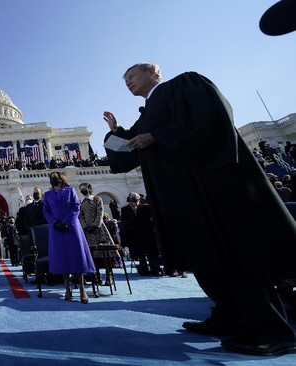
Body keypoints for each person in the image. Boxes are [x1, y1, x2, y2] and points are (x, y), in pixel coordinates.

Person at [103, 62, 296, 356]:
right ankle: (228, 316)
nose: (127, 81)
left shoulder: (184, 85)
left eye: (131, 75)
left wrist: (157, 136)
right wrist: (117, 132)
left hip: (212, 189)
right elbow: (126, 157)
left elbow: (210, 118)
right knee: (205, 256)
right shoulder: (146, 116)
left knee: (236, 256)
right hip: (182, 198)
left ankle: (272, 330)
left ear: (153, 72)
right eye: (124, 79)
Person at [43, 171, 95, 303]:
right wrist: (55, 223)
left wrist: (66, 222)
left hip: (71, 227)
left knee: (76, 256)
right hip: (56, 229)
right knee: (62, 258)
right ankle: (67, 289)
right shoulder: (47, 195)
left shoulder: (70, 190)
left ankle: (82, 290)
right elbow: (46, 211)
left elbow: (76, 207)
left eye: (55, 177)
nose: (53, 179)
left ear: (61, 179)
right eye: (51, 178)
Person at [78, 182, 119, 285]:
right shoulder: (82, 203)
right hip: (88, 231)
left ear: (88, 188)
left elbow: (100, 212)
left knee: (106, 254)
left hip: (99, 229)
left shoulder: (97, 199)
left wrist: (96, 225)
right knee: (92, 255)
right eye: (80, 188)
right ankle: (96, 276)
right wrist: (86, 227)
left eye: (83, 188)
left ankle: (109, 276)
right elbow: (81, 216)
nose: (82, 190)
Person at [119, 192, 162, 277]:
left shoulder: (146, 208)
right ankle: (143, 270)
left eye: (137, 201)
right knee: (140, 254)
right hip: (134, 235)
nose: (135, 203)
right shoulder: (125, 209)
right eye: (133, 201)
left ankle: (155, 269)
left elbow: (151, 220)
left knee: (152, 252)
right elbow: (123, 222)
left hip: (147, 234)